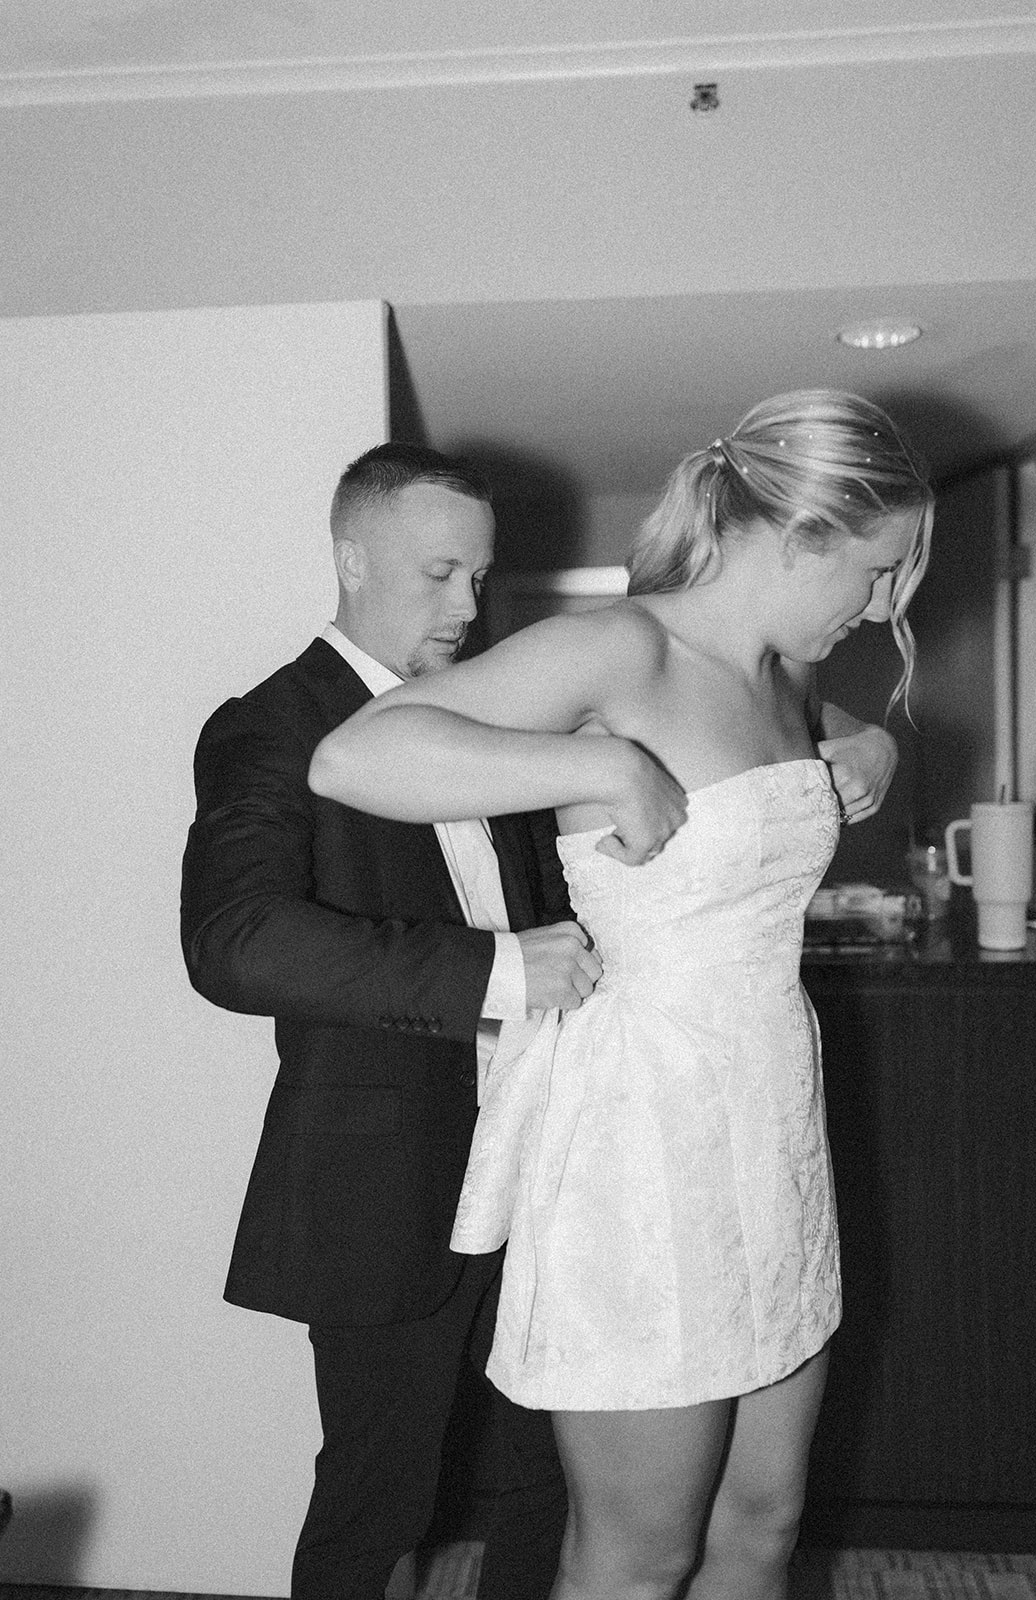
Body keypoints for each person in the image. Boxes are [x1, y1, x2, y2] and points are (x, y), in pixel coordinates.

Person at [307, 392, 934, 1600]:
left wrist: (872, 746)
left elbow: (797, 742)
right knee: (638, 1555)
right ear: (797, 533)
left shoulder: (782, 677)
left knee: (762, 1520)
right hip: (642, 1138)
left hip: (765, 1120)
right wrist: (591, 761)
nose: (880, 603)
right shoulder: (616, 649)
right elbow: (356, 755)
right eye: (871, 569)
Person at [181, 443, 600, 1600]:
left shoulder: (483, 712)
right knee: (378, 1499)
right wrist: (496, 970)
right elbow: (235, 940)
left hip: (532, 1167)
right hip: (378, 1184)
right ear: (351, 557)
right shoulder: (269, 723)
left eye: (479, 575)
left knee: (544, 1482)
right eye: (440, 573)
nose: (468, 606)